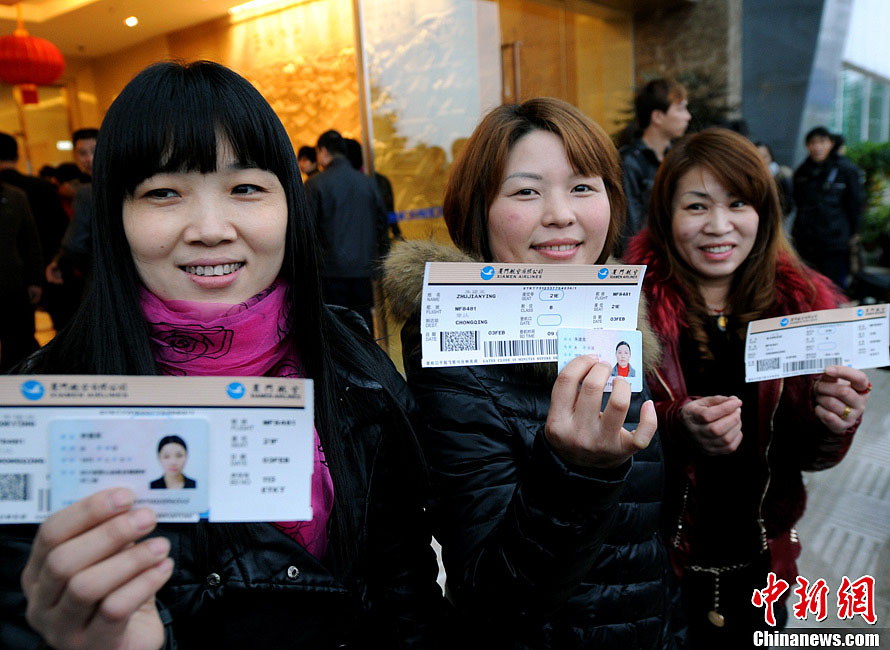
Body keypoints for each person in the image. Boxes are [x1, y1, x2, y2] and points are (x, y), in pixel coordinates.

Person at [0, 60, 443, 650]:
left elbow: (404, 586)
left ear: (289, 202)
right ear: (115, 217)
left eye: (246, 188)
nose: (211, 228)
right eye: (163, 193)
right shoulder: (43, 411)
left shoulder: (352, 359)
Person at [383, 97, 683, 648]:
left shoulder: (615, 313)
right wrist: (575, 470)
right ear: (479, 211)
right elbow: (490, 597)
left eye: (583, 187)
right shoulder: (451, 350)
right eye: (526, 191)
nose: (561, 215)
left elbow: (642, 528)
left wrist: (685, 431)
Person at [623, 128, 871, 647]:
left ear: (764, 212)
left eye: (738, 203)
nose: (719, 226)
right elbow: (607, 439)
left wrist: (834, 422)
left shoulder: (806, 307)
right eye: (696, 206)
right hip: (654, 565)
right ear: (666, 215)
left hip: (764, 561)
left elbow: (810, 457)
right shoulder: (626, 308)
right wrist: (675, 425)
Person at [305, 129, 389, 331]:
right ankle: (366, 363)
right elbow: (381, 226)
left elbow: (306, 231)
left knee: (336, 332)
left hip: (330, 274)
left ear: (323, 152)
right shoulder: (368, 183)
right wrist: (380, 264)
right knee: (364, 329)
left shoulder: (316, 184)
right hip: (363, 271)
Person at [617, 79, 691, 255]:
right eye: (680, 108)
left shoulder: (678, 157)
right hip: (647, 262)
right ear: (657, 116)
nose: (688, 116)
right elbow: (630, 228)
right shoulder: (629, 162)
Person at [792, 126, 866, 289]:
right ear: (807, 146)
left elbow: (856, 205)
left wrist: (852, 234)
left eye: (822, 141)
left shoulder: (846, 170)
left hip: (835, 242)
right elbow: (797, 201)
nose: (817, 147)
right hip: (806, 241)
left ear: (831, 143)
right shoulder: (802, 172)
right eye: (812, 142)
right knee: (808, 287)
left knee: (833, 288)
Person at [0, 181, 42, 371]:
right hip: (12, 281)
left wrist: (35, 280)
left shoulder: (15, 197)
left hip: (12, 283)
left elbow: (30, 240)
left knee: (19, 344)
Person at [754, 141, 794, 221]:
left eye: (764, 156)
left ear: (771, 157)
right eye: (757, 156)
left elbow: (788, 205)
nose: (761, 160)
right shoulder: (747, 177)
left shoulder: (782, 175)